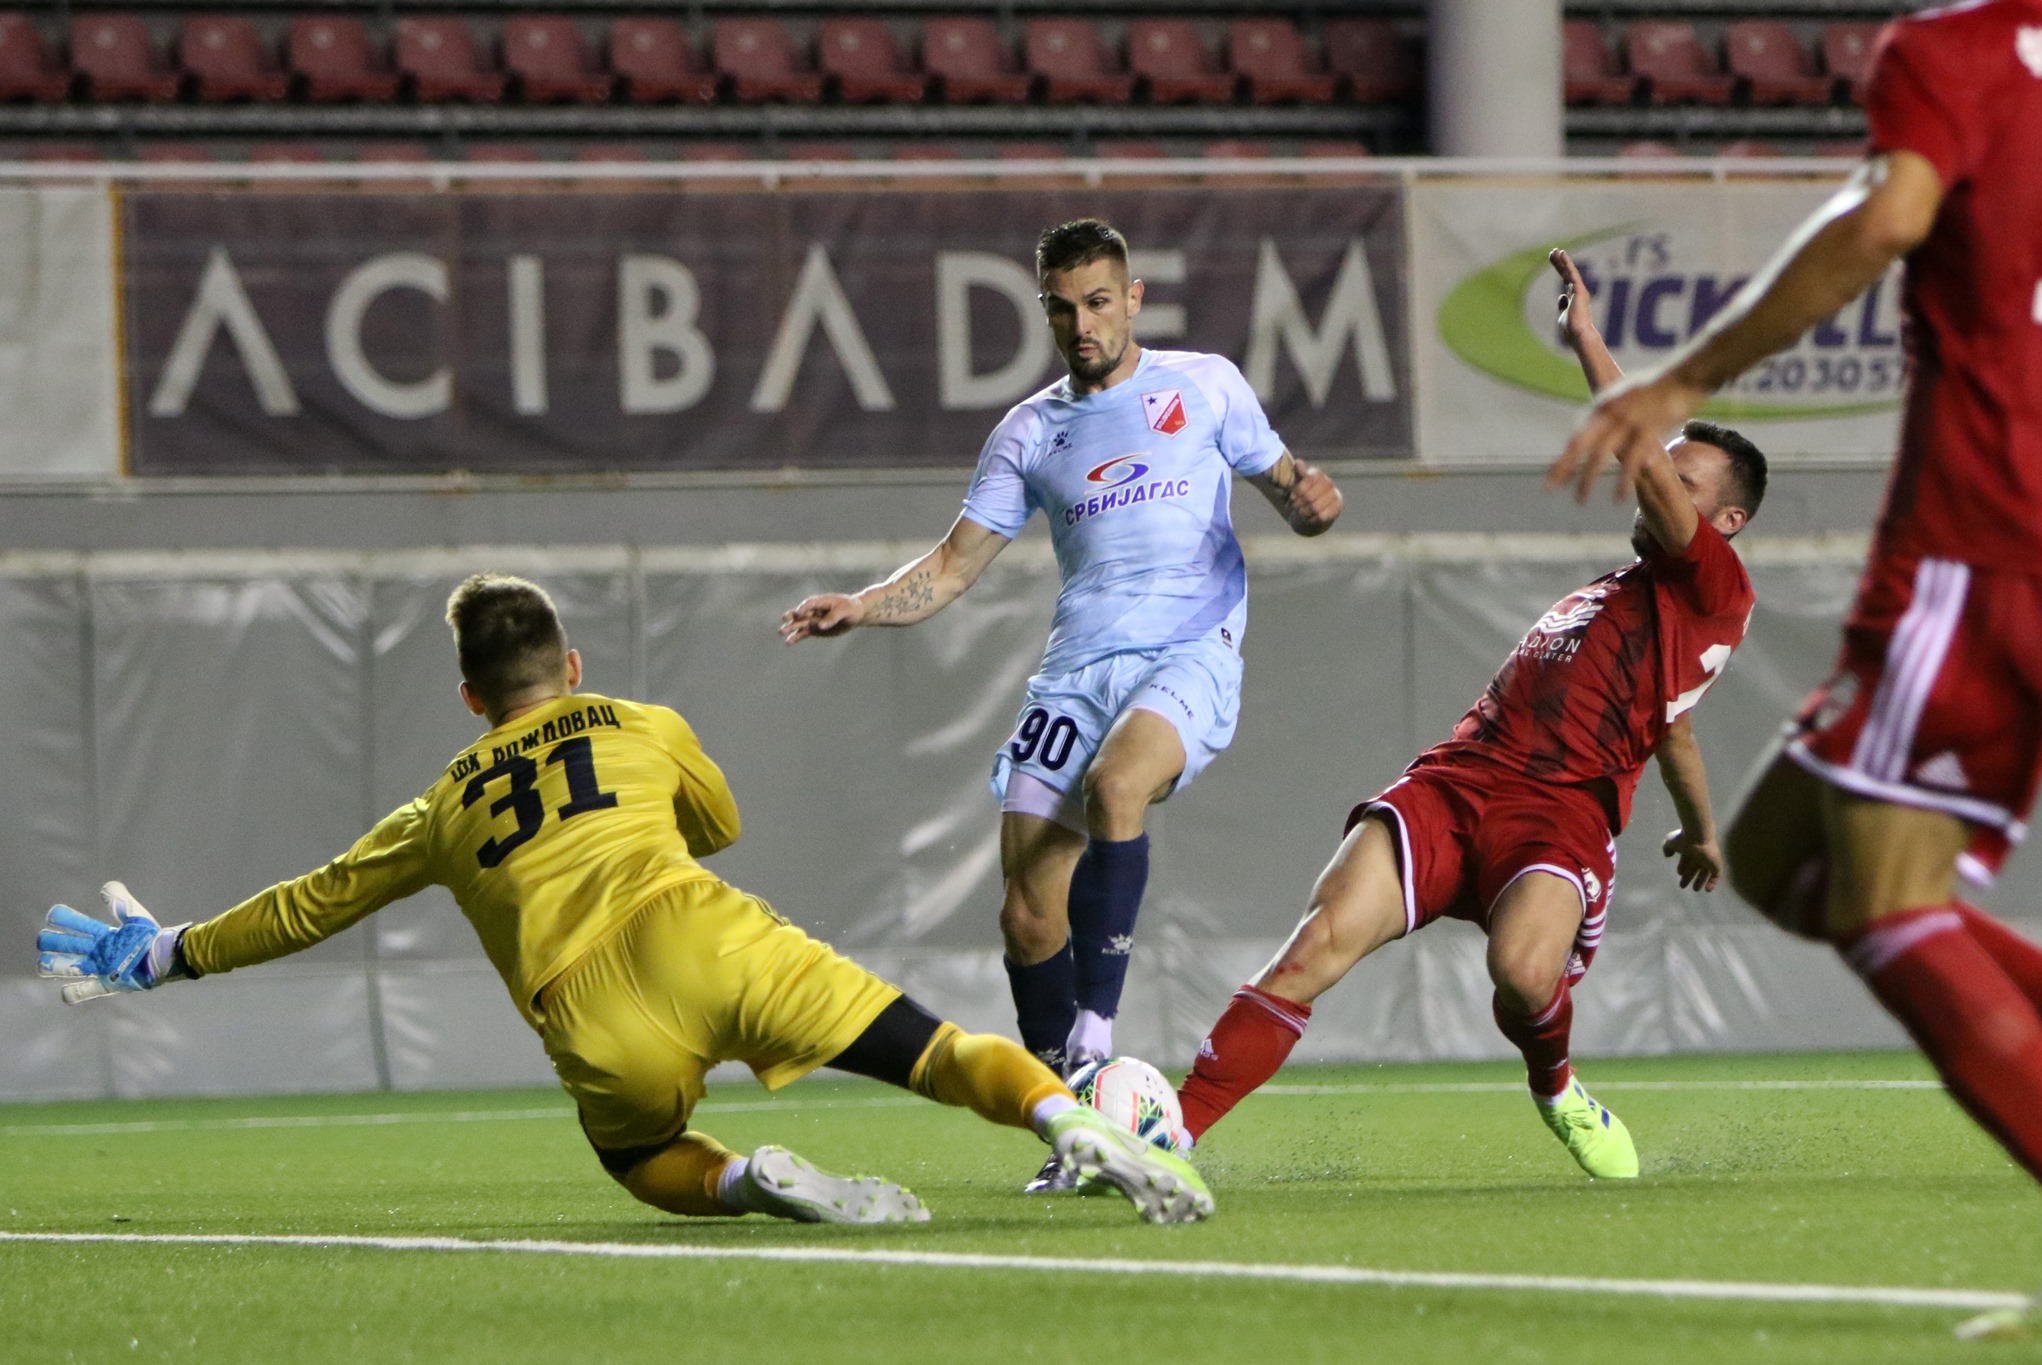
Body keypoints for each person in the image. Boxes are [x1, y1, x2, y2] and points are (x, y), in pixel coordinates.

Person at [35, 574, 1213, 1226]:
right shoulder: (643, 726)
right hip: (701, 933)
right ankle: (1073, 1123)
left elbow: (309, 905)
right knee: (940, 1051)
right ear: (572, 666)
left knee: (642, 1156)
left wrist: (168, 954)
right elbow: (720, 827)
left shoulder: (442, 806)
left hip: (591, 1013)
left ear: (468, 696)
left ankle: (750, 1179)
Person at [1552, 0, 2042, 1206]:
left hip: (1990, 541)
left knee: (1883, 897)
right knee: (1785, 861)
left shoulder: (1954, 49)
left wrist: (1673, 374)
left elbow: (1885, 216)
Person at [1172, 251, 1768, 1179]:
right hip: (1453, 783)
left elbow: (1642, 462)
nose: (1658, 485)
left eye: (1686, 485)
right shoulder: (1629, 595)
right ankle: (1167, 1135)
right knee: (1313, 946)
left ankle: (1556, 1084)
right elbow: (1674, 726)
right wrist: (1702, 831)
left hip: (1559, 812)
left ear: (1724, 525)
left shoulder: (1714, 581)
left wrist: (1589, 345)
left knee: (1525, 976)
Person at [778, 218, 1343, 1192]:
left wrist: (1310, 504)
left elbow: (1288, 486)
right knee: (1027, 914)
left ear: (1131, 300)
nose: (1080, 324)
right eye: (1060, 307)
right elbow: (954, 565)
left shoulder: (1203, 384)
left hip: (1185, 650)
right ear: (1043, 310)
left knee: (1119, 785)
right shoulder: (1030, 432)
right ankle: (1072, 1131)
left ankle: (1095, 1038)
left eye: (1095, 302)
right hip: (1073, 674)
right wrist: (862, 607)